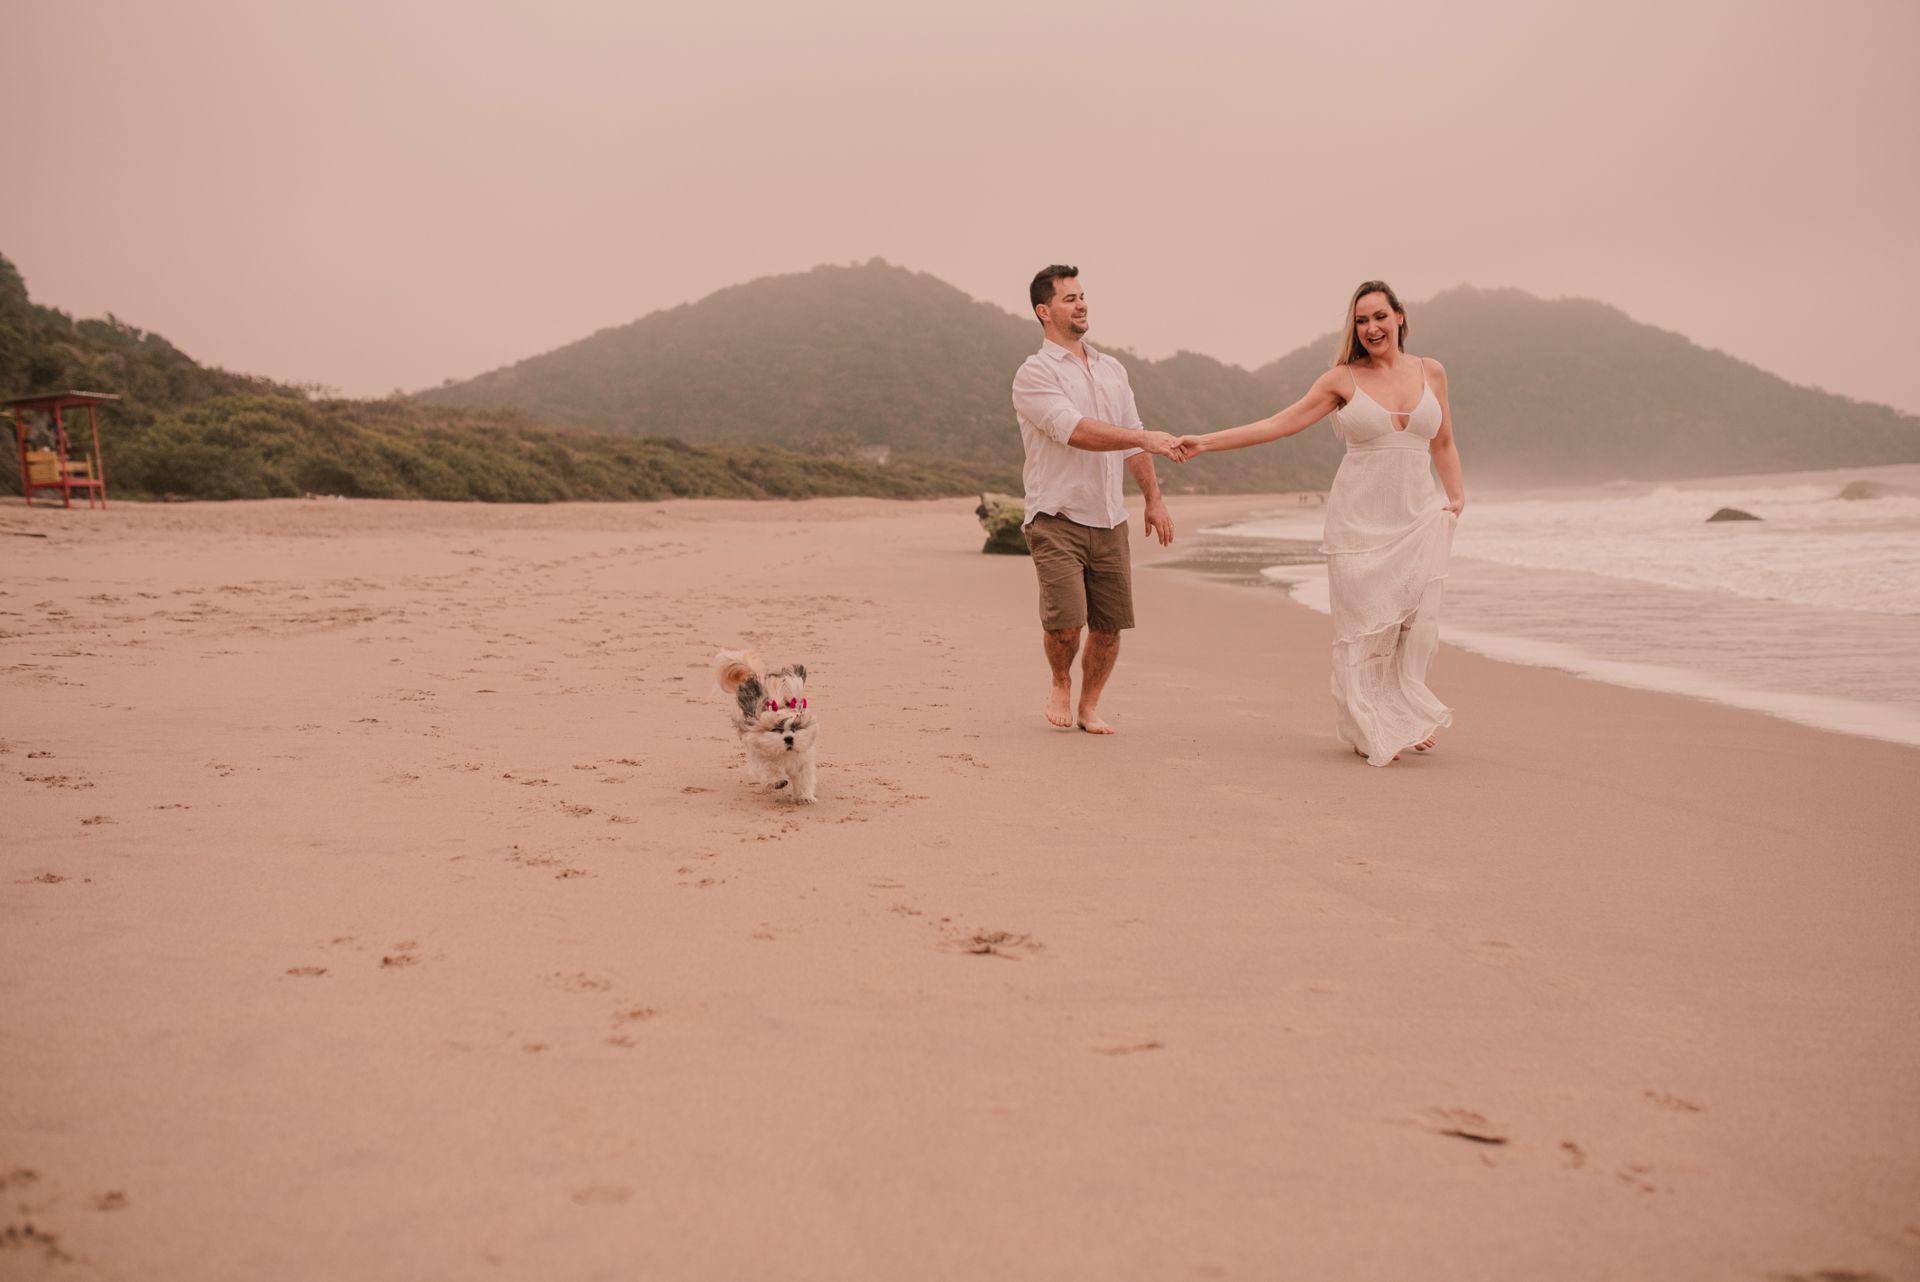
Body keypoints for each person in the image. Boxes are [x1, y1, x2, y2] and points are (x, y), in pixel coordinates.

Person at [1171, 280, 1465, 765]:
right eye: (1361, 320)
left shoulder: (1432, 372)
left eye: (1379, 316)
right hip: (1358, 522)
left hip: (1415, 516)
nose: (1371, 327)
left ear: (1400, 317)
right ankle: (1367, 721)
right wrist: (1206, 441)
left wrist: (1457, 495)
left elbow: (1445, 442)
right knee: (1365, 624)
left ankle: (1401, 708)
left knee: (1408, 620)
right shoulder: (1341, 381)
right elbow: (1278, 423)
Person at [1011, 264, 1180, 735]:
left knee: (1109, 627)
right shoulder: (1034, 373)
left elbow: (1132, 440)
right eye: (1069, 298)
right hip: (1056, 516)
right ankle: (1060, 681)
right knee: (1066, 624)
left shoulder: (1112, 369)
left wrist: (1153, 499)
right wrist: (1144, 439)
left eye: (1082, 296)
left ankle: (1089, 704)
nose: (1081, 303)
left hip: (1110, 518)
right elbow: (1077, 432)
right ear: (1044, 312)